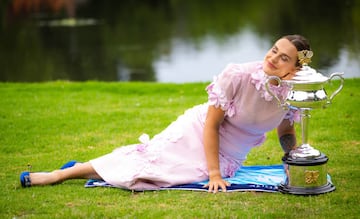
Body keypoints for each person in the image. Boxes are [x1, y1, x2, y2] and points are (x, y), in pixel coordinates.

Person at [20, 34, 311, 193]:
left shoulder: (297, 92)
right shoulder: (238, 75)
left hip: (231, 157)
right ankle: (60, 174)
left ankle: (87, 168)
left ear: (295, 69)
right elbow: (211, 125)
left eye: (283, 57)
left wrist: (294, 158)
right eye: (273, 50)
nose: (272, 58)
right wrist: (213, 173)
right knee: (146, 164)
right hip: (198, 134)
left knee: (160, 178)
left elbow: (286, 132)